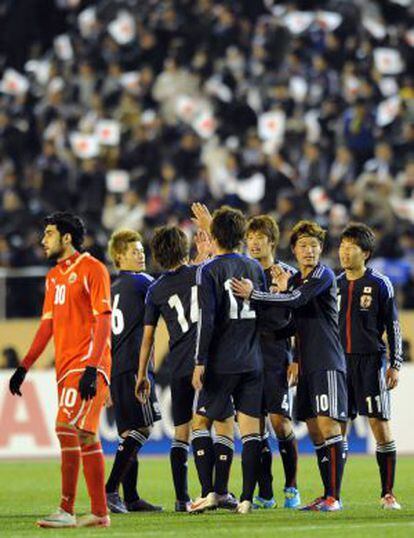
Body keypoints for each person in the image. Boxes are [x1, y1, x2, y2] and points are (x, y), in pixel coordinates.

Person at [232, 220, 348, 512]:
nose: (309, 251)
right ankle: (326, 494)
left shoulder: (322, 275)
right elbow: (291, 324)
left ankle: (333, 496)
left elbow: (297, 300)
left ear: (321, 249)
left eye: (314, 245)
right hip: (307, 363)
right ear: (294, 249)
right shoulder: (295, 281)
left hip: (326, 360)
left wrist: (256, 295)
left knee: (327, 426)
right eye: (303, 246)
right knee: (316, 431)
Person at [9, 212, 111, 528]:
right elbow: (46, 327)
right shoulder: (54, 276)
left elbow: (103, 319)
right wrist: (24, 366)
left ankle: (66, 510)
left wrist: (93, 368)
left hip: (86, 364)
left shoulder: (92, 268)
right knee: (85, 435)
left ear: (67, 238)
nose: (43, 240)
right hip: (65, 367)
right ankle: (99, 513)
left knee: (65, 427)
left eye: (49, 234)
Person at [136, 225, 237, 512]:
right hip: (209, 361)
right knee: (221, 425)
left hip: (179, 366)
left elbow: (148, 338)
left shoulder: (155, 291)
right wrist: (204, 251)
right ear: (184, 249)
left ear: (156, 255)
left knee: (181, 434)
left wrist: (142, 374)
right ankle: (219, 491)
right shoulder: (201, 273)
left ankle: (182, 498)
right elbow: (221, 262)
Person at [192, 205, 267, 515]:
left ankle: (210, 493)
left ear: (214, 235)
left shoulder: (207, 269)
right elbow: (263, 312)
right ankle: (247, 499)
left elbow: (206, 320)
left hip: (221, 363)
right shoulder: (255, 269)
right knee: (250, 431)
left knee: (201, 422)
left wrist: (200, 361)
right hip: (253, 359)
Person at [337, 223, 403, 510]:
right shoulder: (334, 284)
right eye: (342, 246)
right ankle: (332, 495)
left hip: (371, 363)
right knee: (336, 430)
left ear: (365, 253)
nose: (344, 252)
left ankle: (388, 493)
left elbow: (394, 326)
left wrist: (395, 364)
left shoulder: (379, 284)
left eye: (351, 247)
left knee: (379, 426)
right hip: (339, 364)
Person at [245, 215, 301, 509]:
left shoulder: (288, 274)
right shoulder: (244, 273)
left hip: (278, 356)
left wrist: (297, 358)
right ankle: (265, 493)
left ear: (271, 241)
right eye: (249, 238)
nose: (253, 243)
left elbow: (302, 319)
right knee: (255, 428)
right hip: (248, 357)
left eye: (259, 237)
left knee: (279, 422)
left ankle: (291, 486)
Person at [105, 229, 162, 513]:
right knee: (142, 428)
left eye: (141, 250)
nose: (141, 255)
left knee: (129, 430)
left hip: (116, 367)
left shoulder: (113, 289)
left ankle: (131, 497)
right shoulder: (142, 282)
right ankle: (110, 490)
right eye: (134, 251)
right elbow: (172, 287)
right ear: (119, 257)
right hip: (132, 365)